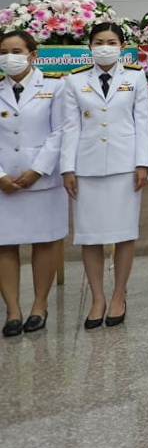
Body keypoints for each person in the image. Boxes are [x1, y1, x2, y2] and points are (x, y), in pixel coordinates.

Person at [60, 23, 148, 329]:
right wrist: (67, 167)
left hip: (125, 166)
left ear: (122, 46)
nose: (105, 46)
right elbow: (70, 127)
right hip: (87, 167)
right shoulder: (74, 81)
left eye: (111, 42)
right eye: (99, 42)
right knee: (90, 236)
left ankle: (118, 296)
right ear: (90, 46)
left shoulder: (135, 77)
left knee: (124, 233)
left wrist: (143, 163)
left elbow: (143, 123)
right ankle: (98, 298)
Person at [0, 31, 65, 337]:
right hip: (4, 181)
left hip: (42, 179)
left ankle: (40, 305)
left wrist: (38, 169)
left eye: (16, 50)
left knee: (45, 240)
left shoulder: (53, 86)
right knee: (5, 243)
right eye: (3, 51)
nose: (9, 56)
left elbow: (60, 131)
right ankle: (13, 310)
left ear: (32, 54)